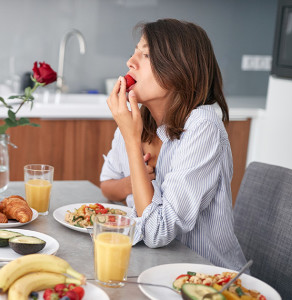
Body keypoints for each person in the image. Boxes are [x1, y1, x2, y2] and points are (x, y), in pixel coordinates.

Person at [100, 18, 247, 270]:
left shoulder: (202, 126)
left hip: (207, 280)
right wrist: (134, 176)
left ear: (178, 70)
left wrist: (131, 141)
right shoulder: (139, 120)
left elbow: (157, 231)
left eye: (145, 55)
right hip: (153, 267)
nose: (130, 62)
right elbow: (108, 186)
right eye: (135, 52)